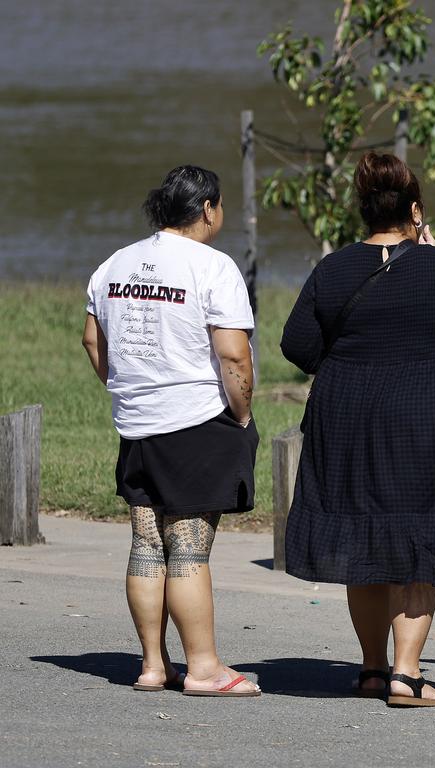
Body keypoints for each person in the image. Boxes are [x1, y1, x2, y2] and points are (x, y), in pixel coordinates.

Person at [281, 151, 435, 708]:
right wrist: (429, 250)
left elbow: (298, 346)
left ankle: (374, 669)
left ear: (362, 212)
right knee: (422, 539)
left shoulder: (332, 270)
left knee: (364, 537)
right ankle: (407, 674)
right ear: (414, 210)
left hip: (350, 420)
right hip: (428, 418)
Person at [82, 165, 261, 697]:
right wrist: (243, 414)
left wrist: (126, 387)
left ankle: (153, 665)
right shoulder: (213, 266)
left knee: (145, 544)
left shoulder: (114, 264)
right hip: (196, 421)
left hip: (136, 423)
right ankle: (204, 668)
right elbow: (233, 353)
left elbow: (94, 342)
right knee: (187, 550)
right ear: (208, 208)